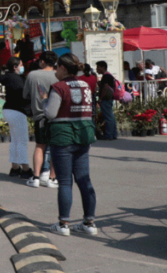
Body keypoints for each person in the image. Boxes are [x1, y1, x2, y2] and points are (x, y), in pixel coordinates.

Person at [44, 53, 98, 236]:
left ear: (63, 68)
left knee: (65, 181)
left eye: (57, 67)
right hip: (84, 135)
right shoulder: (85, 84)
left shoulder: (58, 87)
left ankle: (63, 223)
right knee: (84, 179)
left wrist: (44, 102)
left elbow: (50, 113)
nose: (55, 70)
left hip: (63, 136)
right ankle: (89, 223)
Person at [23, 51, 59, 189]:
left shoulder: (32, 75)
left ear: (42, 62)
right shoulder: (58, 75)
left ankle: (36, 177)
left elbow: (25, 94)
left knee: (40, 146)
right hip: (56, 116)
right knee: (55, 147)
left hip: (39, 115)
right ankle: (52, 178)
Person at [0, 57, 32, 179]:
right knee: (22, 141)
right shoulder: (16, 79)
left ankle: (15, 168)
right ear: (15, 66)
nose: (22, 67)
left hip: (8, 109)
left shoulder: (8, 77)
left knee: (15, 140)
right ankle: (25, 169)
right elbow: (23, 95)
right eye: (21, 64)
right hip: (17, 111)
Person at [95, 61, 118, 140]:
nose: (97, 69)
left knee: (108, 117)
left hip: (106, 99)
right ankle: (114, 134)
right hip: (109, 98)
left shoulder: (106, 76)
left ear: (103, 67)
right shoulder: (108, 76)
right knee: (111, 116)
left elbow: (105, 87)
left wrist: (100, 99)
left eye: (98, 67)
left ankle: (109, 135)